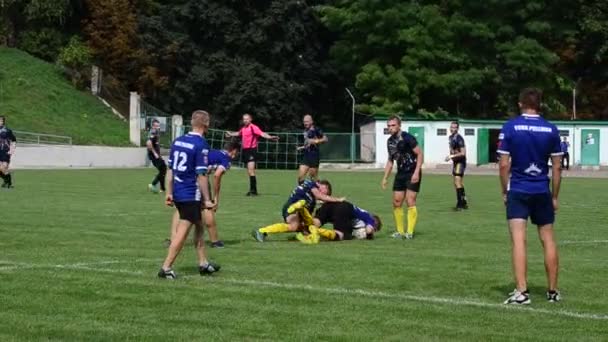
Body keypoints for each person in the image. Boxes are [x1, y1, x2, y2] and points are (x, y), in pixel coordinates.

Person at [498, 88, 562, 304]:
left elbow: (504, 164)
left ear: (520, 104)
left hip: (518, 189)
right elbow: (557, 167)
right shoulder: (551, 129)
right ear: (540, 105)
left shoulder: (510, 127)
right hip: (542, 190)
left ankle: (522, 291)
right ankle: (552, 291)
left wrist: (504, 190)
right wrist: (554, 196)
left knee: (518, 240)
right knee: (548, 239)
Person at [158, 110, 220, 279]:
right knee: (184, 231)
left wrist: (169, 192)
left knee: (199, 226)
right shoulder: (201, 145)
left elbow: (170, 170)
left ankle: (203, 263)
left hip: (178, 191)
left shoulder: (178, 141)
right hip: (191, 194)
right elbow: (201, 175)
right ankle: (166, 267)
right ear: (206, 125)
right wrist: (207, 199)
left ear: (192, 123)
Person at [164, 142, 240, 249]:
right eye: (236, 153)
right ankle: (215, 241)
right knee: (207, 208)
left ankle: (173, 239)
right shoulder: (225, 159)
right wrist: (216, 198)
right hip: (199, 179)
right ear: (234, 151)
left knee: (180, 208)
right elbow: (217, 175)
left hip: (186, 179)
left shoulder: (214, 152)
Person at [251, 179, 344, 242]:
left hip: (296, 209)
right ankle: (261, 231)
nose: (325, 196)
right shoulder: (311, 183)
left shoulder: (312, 202)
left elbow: (307, 219)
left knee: (296, 227)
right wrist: (337, 199)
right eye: (326, 193)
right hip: (291, 206)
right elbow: (319, 195)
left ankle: (262, 232)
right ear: (324, 186)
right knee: (296, 225)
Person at [381, 115, 423, 240]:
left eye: (393, 125)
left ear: (399, 125)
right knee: (397, 202)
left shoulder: (408, 138)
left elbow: (420, 154)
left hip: (412, 172)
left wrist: (416, 172)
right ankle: (400, 232)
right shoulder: (389, 141)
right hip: (400, 173)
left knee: (410, 201)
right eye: (388, 126)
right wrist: (385, 177)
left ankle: (409, 232)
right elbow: (390, 160)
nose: (390, 128)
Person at [225, 113, 279, 196]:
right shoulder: (243, 128)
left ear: (250, 119)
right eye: (244, 119)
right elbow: (238, 133)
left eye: (247, 119)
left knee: (251, 171)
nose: (245, 120)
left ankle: (253, 191)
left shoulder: (253, 127)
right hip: (245, 151)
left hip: (251, 150)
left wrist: (270, 137)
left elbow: (262, 133)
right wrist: (230, 134)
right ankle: (252, 190)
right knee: (249, 172)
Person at [294, 201, 382, 243]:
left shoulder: (361, 213)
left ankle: (302, 210)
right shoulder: (369, 218)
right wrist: (370, 236)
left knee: (315, 222)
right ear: (375, 224)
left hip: (331, 204)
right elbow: (369, 231)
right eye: (375, 229)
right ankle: (317, 232)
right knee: (342, 235)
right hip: (344, 208)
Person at [296, 114, 327, 184]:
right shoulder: (305, 131)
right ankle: (302, 193)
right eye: (304, 122)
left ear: (311, 121)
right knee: (300, 177)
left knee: (313, 179)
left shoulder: (317, 129)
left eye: (307, 121)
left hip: (314, 156)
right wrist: (301, 147)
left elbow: (325, 139)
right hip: (306, 156)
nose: (305, 123)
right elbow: (308, 144)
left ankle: (320, 188)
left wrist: (316, 141)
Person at [445, 121, 468, 210]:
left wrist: (451, 156)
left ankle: (460, 204)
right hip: (456, 162)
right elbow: (452, 149)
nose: (452, 129)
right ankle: (464, 201)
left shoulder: (459, 138)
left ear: (457, 129)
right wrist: (452, 156)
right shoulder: (451, 138)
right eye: (451, 127)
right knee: (457, 182)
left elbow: (463, 153)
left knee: (457, 181)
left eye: (454, 127)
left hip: (461, 162)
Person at [147, 119, 166, 193]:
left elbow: (154, 143)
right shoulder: (153, 132)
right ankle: (153, 184)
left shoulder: (156, 132)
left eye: (158, 126)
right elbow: (148, 143)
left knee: (162, 170)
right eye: (156, 126)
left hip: (157, 155)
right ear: (153, 126)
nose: (157, 127)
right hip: (154, 156)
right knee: (163, 169)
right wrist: (155, 153)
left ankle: (162, 188)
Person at [0, 115, 16, 189]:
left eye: (1, 120)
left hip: (5, 151)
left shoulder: (7, 130)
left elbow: (13, 140)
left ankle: (9, 183)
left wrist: (12, 150)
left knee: (4, 167)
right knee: (0, 169)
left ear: (3, 122)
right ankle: (6, 181)